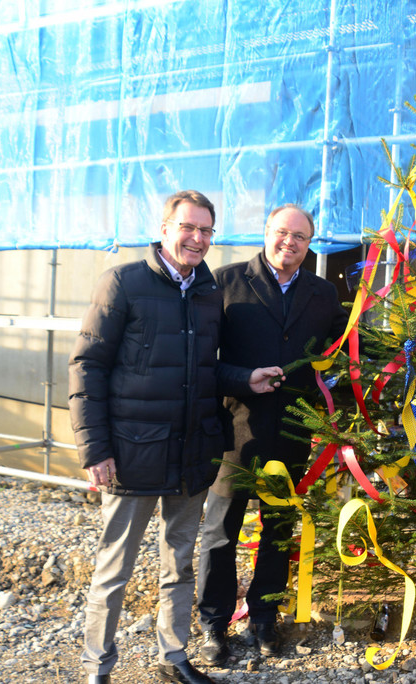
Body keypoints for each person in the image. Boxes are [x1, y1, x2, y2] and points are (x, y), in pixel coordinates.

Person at [70, 190, 284, 684]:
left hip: (192, 453)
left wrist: (245, 378)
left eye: (206, 230)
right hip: (133, 453)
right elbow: (87, 367)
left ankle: (174, 657)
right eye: (188, 227)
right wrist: (95, 449)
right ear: (165, 228)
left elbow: (205, 369)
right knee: (114, 569)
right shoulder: (123, 283)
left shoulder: (209, 292)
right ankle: (97, 668)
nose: (197, 238)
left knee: (179, 564)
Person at [196, 204, 348, 664]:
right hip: (235, 430)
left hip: (292, 433)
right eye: (282, 232)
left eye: (300, 237)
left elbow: (343, 352)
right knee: (220, 531)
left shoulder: (323, 293)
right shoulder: (224, 282)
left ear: (310, 244)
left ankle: (264, 617)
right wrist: (244, 378)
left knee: (278, 529)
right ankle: (215, 623)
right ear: (266, 233)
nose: (290, 243)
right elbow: (202, 360)